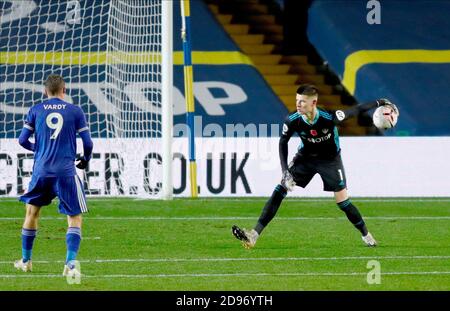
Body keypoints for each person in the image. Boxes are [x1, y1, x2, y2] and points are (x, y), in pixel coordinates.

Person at [232, 84, 398, 249]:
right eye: (297, 101)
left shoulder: (329, 117)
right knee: (280, 189)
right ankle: (253, 235)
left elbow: (356, 110)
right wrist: (285, 172)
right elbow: (283, 141)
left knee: (343, 202)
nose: (298, 105)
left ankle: (366, 235)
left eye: (303, 102)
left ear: (313, 103)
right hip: (305, 158)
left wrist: (380, 101)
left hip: (331, 160)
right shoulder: (292, 120)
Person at [14, 74, 93, 277]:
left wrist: (38, 149)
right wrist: (86, 159)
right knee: (74, 217)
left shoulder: (36, 110)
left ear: (45, 91)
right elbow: (88, 143)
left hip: (41, 171)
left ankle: (25, 260)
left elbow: (22, 140)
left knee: (31, 213)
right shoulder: (75, 111)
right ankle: (70, 264)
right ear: (64, 90)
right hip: (66, 172)